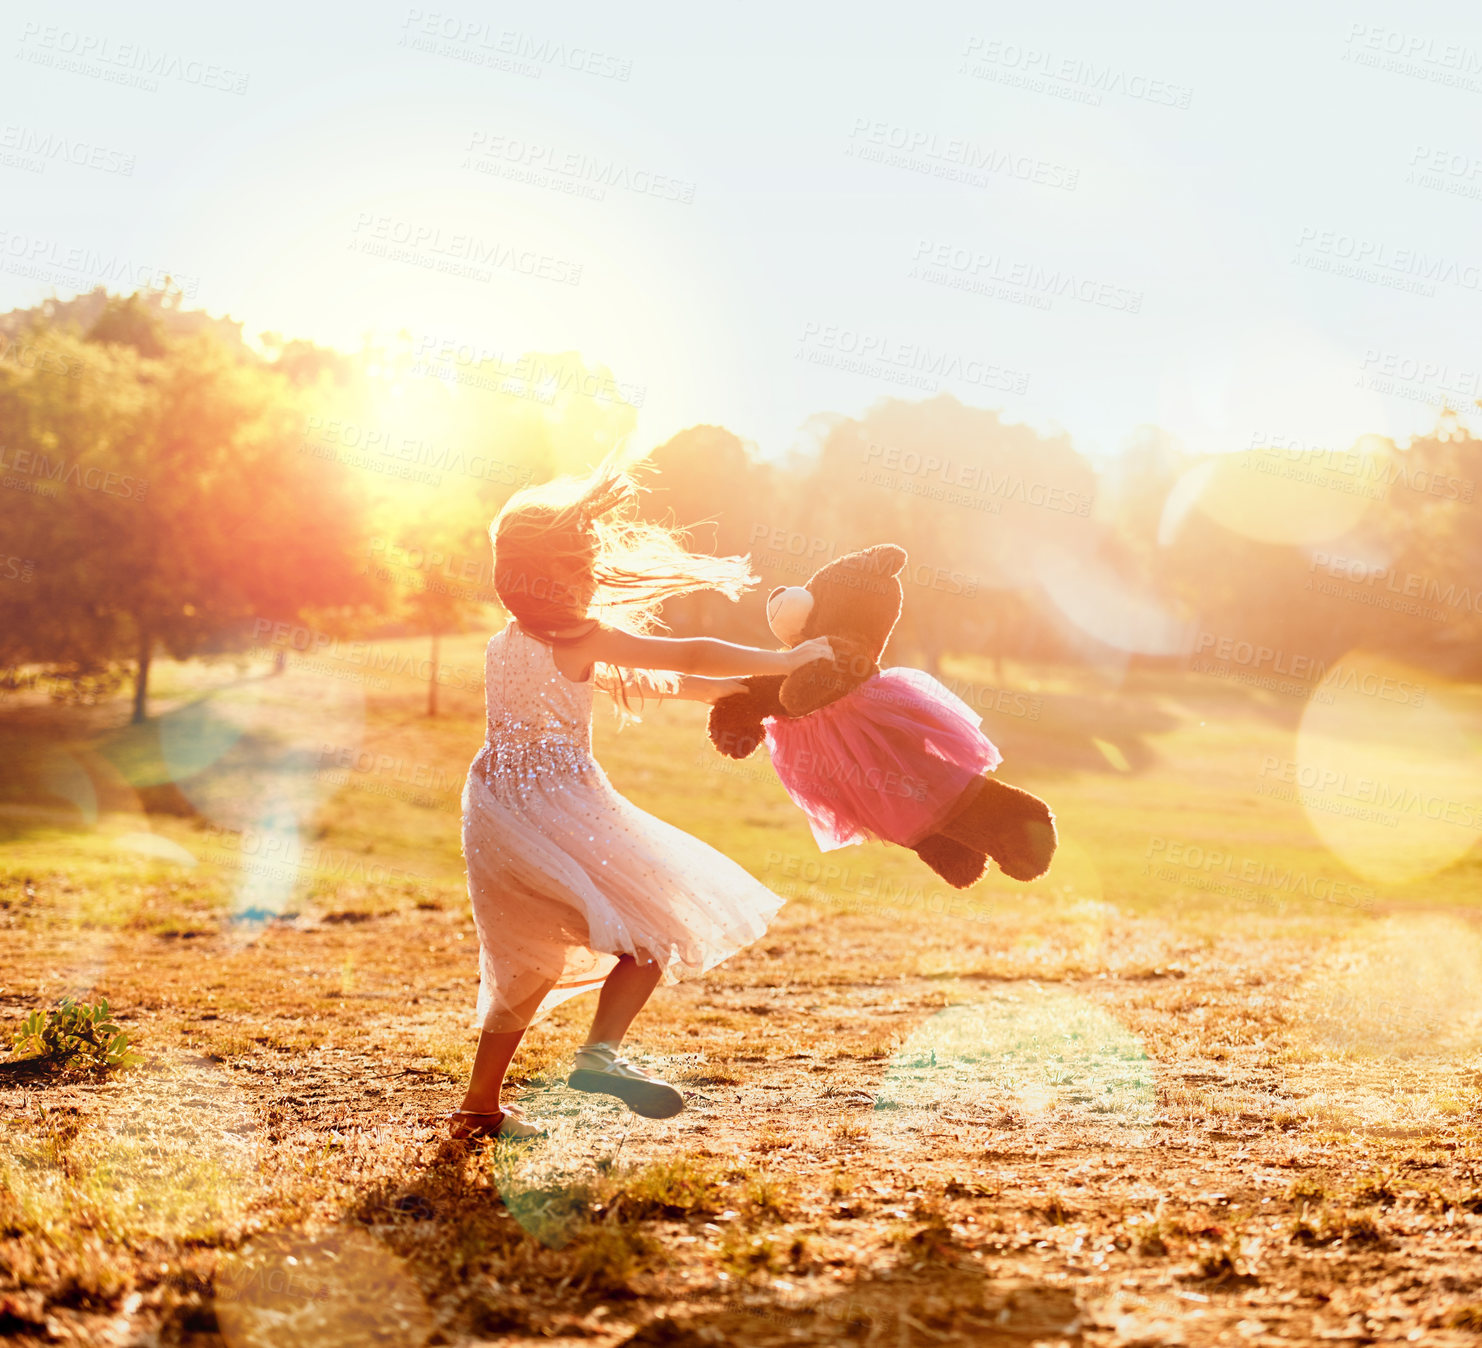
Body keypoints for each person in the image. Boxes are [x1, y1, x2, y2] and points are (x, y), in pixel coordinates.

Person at [449, 452, 833, 1140]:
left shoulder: (506, 643)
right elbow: (686, 655)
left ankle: (479, 1108)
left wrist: (750, 696)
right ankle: (598, 1058)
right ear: (557, 577)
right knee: (654, 926)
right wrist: (783, 662)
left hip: (496, 808)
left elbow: (666, 682)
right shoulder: (580, 636)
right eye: (583, 565)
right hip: (561, 800)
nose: (593, 577)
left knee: (525, 962)